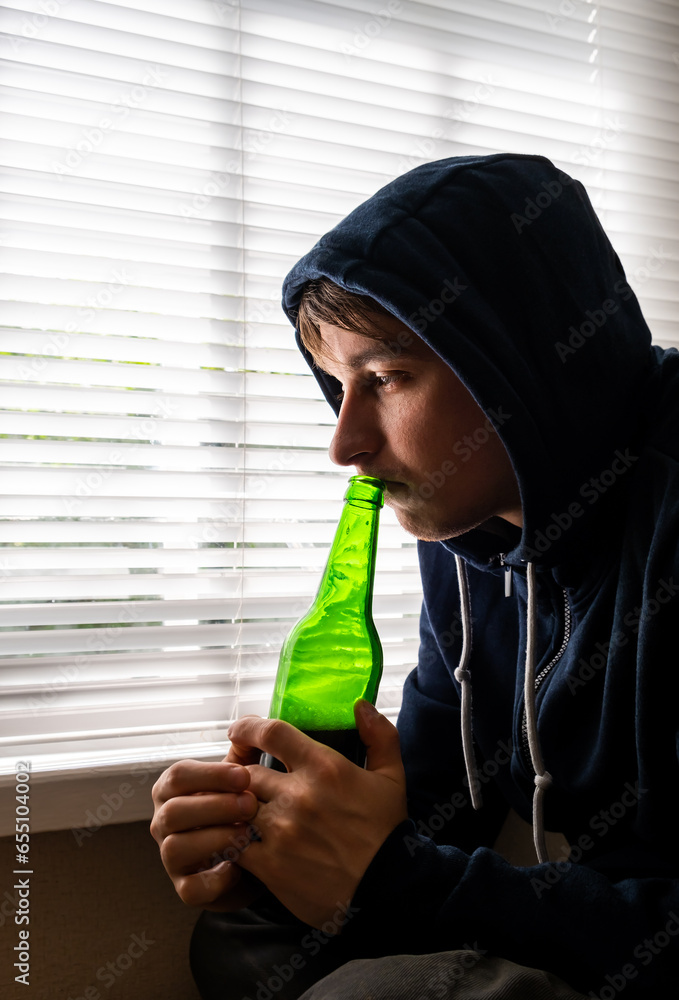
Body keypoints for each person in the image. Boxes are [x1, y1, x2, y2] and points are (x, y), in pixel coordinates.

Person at [150, 152, 679, 999]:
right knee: (241, 935)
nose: (343, 443)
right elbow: (428, 801)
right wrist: (278, 835)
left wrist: (393, 880)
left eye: (386, 377)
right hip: (593, 916)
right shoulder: (468, 529)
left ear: (521, 356)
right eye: (337, 384)